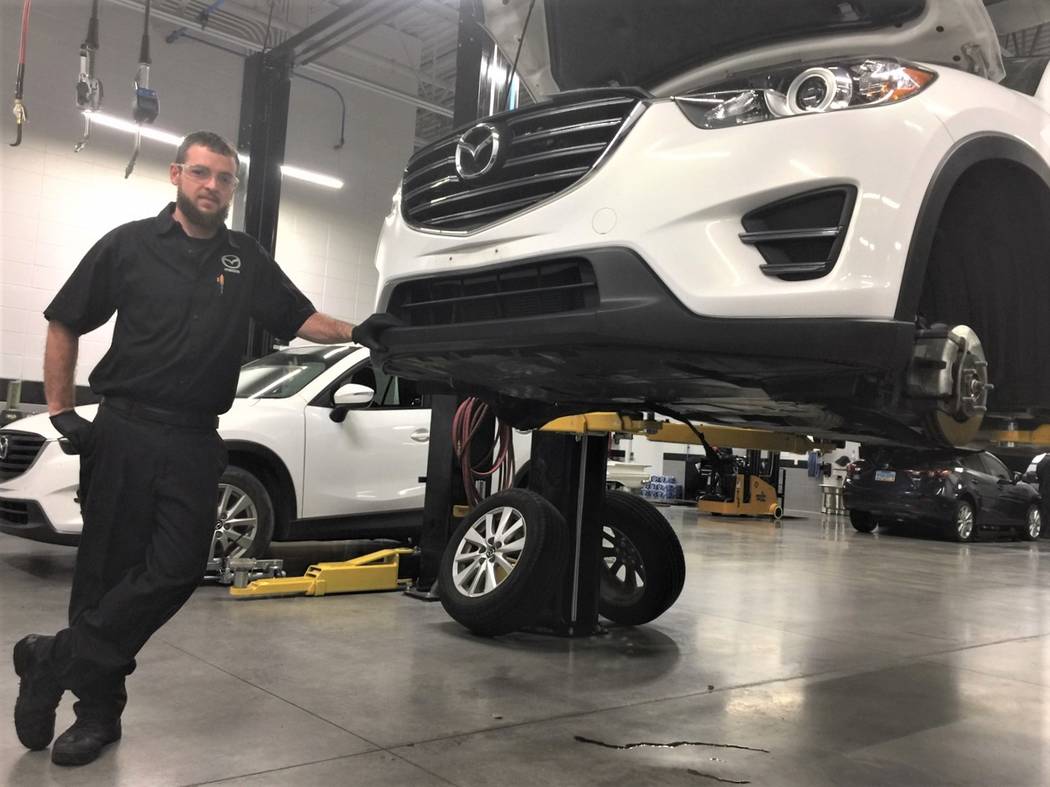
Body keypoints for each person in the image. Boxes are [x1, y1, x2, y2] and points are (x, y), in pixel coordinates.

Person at [12, 131, 399, 767]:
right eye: (201, 173)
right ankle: (97, 715)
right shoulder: (128, 246)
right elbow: (66, 319)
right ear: (175, 175)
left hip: (194, 436)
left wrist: (359, 331)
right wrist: (59, 410)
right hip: (125, 429)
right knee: (105, 574)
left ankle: (48, 658)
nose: (212, 187)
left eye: (224, 178)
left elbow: (299, 316)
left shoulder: (244, 258)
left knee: (180, 568)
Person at [1037, 453, 1050, 528]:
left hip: (1044, 490)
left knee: (1044, 511)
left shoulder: (1042, 461)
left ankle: (1044, 530)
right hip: (1046, 489)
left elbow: (1039, 475)